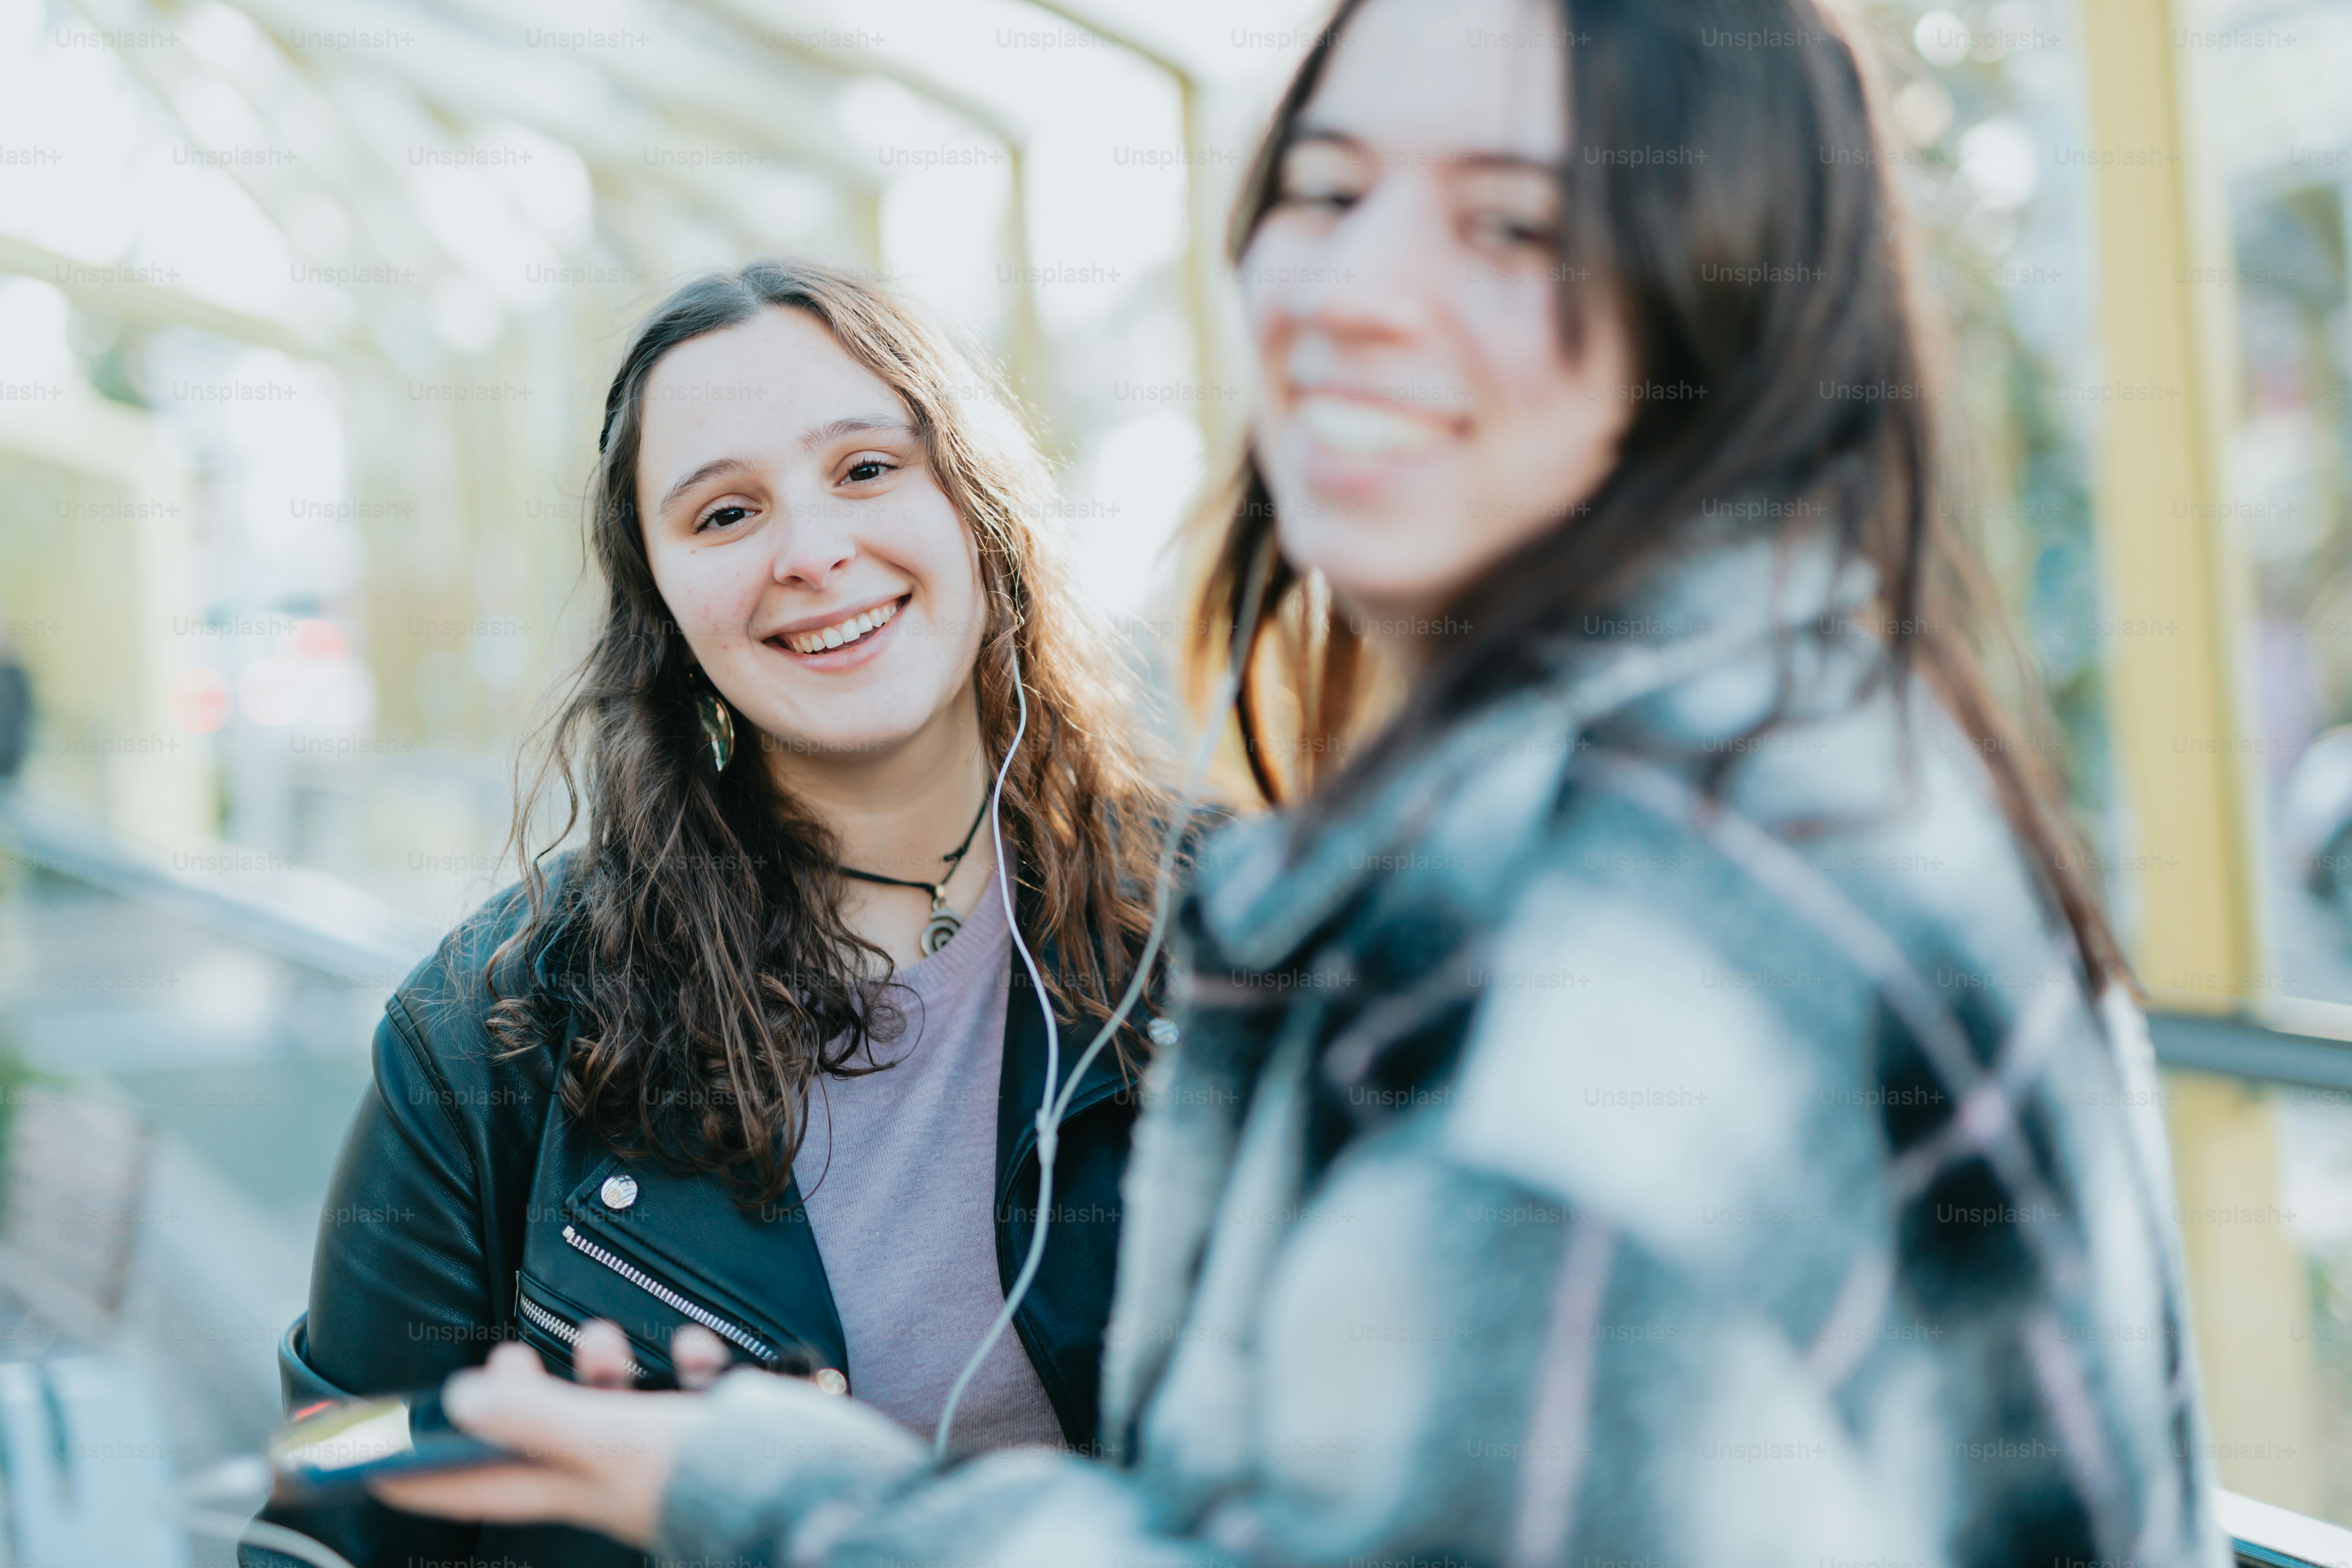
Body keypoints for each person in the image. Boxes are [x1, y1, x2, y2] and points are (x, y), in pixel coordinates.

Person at [355, 1, 2225, 1564]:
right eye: (1322, 192)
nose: (1349, 290)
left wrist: (740, 1489)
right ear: (654, 596)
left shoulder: (1629, 928)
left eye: (1505, 221)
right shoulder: (1782, 767)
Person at [252, 261, 1175, 1568]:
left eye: (867, 470)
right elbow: (323, 1460)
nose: (811, 554)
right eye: (727, 512)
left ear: (979, 505)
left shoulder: (1242, 945)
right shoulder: (486, 1030)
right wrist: (514, 1439)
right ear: (663, 603)